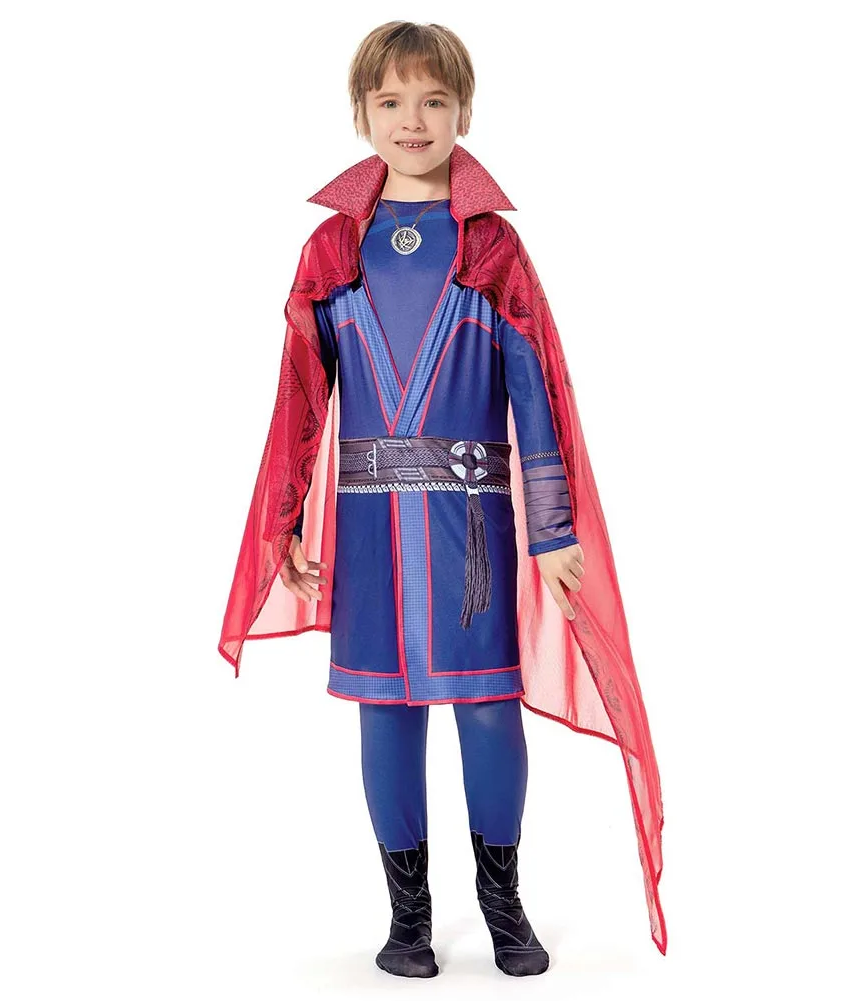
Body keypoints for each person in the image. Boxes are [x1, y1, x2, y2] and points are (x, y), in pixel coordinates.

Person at [218, 20, 666, 976]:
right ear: (360, 114)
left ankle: (502, 904)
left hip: (472, 533)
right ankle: (408, 917)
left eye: (433, 100)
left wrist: (552, 528)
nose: (411, 119)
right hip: (370, 531)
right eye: (390, 101)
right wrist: (285, 519)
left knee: (488, 704)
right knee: (384, 708)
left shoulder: (492, 247)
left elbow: (535, 394)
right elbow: (301, 397)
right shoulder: (331, 248)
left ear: (464, 111)